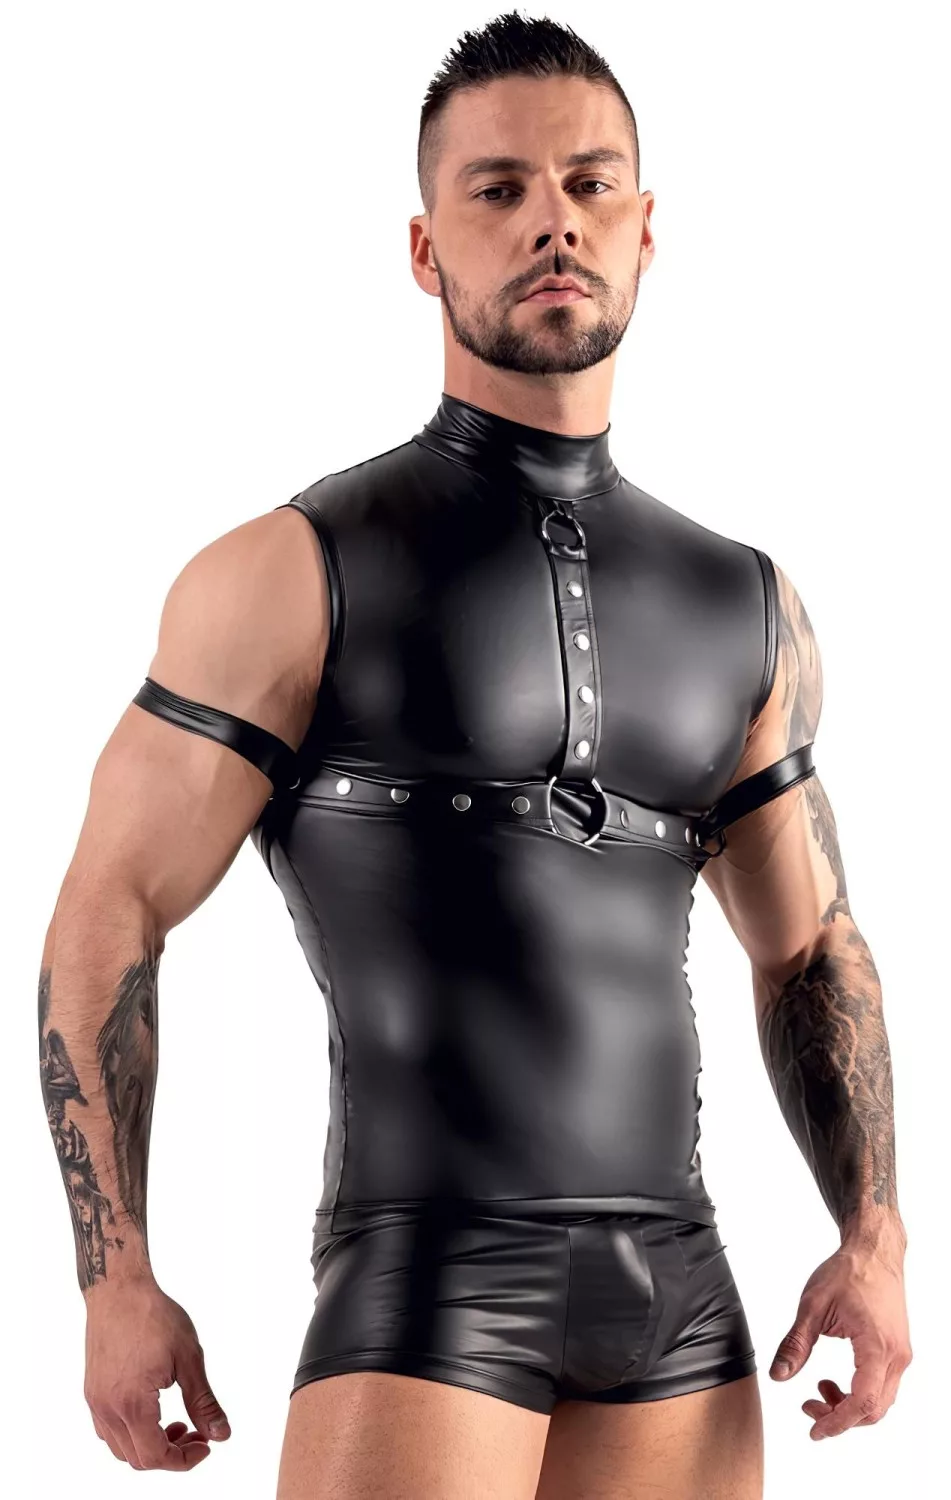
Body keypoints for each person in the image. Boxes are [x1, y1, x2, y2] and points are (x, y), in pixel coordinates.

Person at [38, 11, 911, 1498]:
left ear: (646, 229)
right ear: (423, 248)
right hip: (432, 1275)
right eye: (498, 189)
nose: (552, 221)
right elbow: (107, 911)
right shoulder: (290, 570)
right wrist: (115, 1281)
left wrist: (874, 1238)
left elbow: (809, 948)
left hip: (682, 1293)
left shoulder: (743, 602)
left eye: (589, 184)